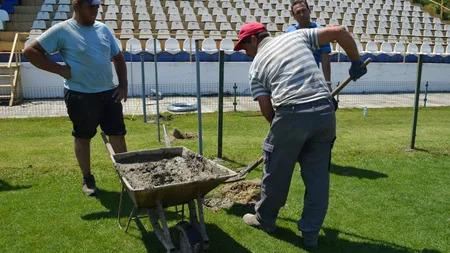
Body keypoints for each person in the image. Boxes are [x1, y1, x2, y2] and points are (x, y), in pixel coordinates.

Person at [233, 22, 367, 248]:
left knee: (276, 171)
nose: (245, 52)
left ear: (255, 39)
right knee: (317, 178)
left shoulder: (255, 68)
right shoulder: (296, 37)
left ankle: (264, 219)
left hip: (292, 111)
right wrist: (356, 60)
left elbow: (268, 112)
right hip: (325, 112)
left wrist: (285, 139)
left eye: (245, 46)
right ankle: (310, 234)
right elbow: (339, 32)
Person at [23, 0, 128, 196]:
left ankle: (127, 178)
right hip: (80, 95)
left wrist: (123, 85)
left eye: (97, 6)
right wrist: (60, 70)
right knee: (83, 137)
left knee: (118, 136)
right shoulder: (62, 30)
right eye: (91, 6)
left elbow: (118, 57)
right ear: (77, 6)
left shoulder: (103, 29)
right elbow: (30, 51)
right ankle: (88, 179)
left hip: (108, 92)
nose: (95, 10)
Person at [286, 0, 333, 92]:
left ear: (310, 10)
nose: (302, 14)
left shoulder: (321, 31)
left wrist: (328, 83)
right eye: (298, 12)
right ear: (294, 16)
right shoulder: (289, 32)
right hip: (292, 81)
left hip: (313, 80)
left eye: (304, 10)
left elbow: (325, 58)